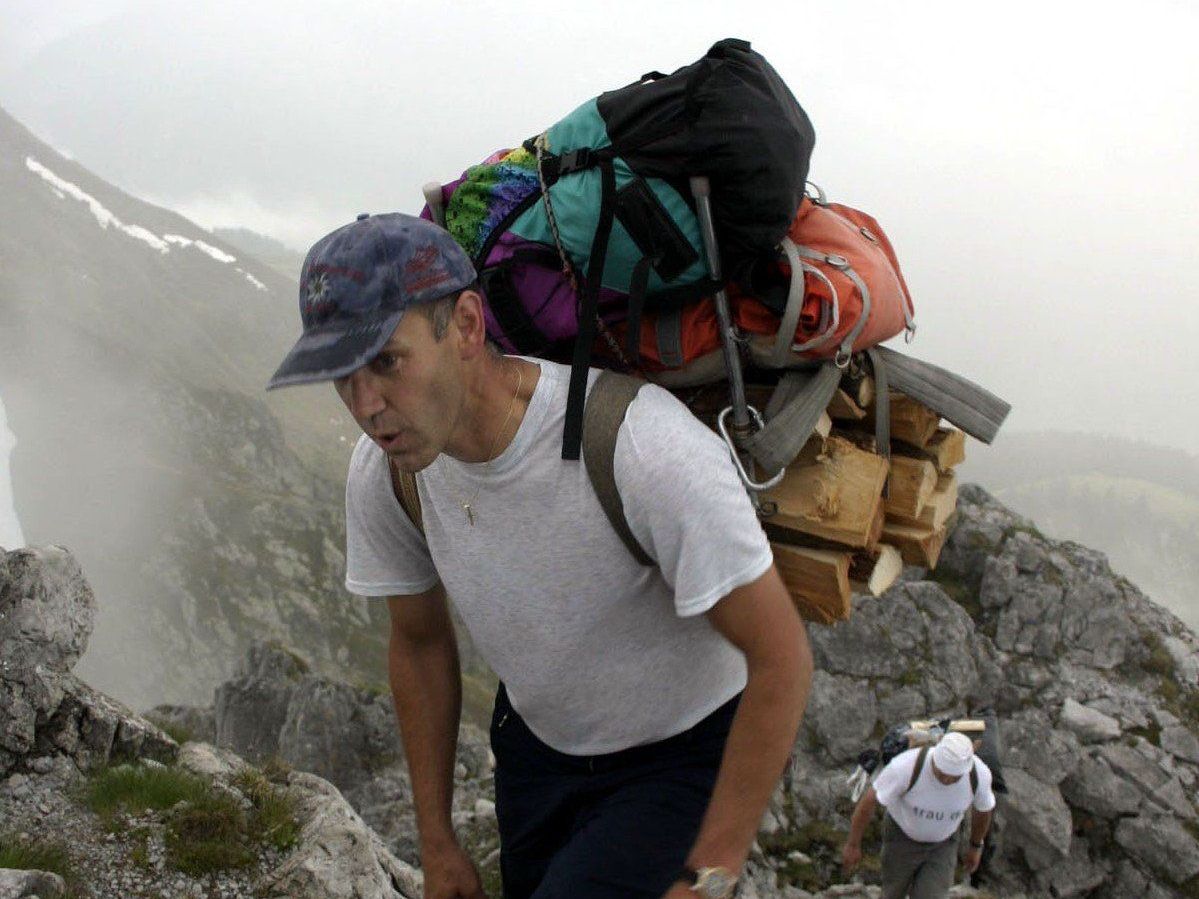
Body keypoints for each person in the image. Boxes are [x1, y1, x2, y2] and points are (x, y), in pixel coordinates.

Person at [267, 212, 814, 899]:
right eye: (342, 376)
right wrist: (437, 843)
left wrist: (707, 872)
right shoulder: (388, 473)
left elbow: (781, 656)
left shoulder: (641, 447)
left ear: (466, 325)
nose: (366, 405)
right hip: (536, 754)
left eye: (386, 362)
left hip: (679, 754)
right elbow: (418, 642)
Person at [840, 732, 996, 899]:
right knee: (892, 893)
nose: (946, 778)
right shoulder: (905, 767)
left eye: (954, 776)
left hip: (943, 844)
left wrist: (976, 845)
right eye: (941, 771)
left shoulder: (979, 775)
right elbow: (869, 802)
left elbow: (983, 810)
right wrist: (853, 844)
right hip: (901, 838)